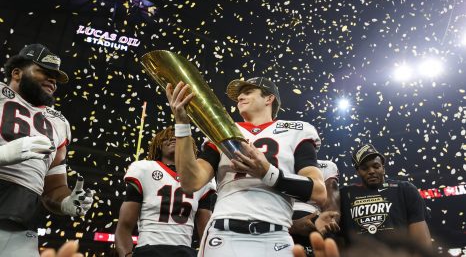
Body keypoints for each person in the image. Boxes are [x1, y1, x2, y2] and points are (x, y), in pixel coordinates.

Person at [166, 77, 327, 257]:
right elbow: (190, 182)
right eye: (239, 94)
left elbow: (319, 191)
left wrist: (268, 173)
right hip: (224, 234)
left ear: (269, 99)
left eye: (248, 92)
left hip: (276, 236)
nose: (240, 97)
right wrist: (182, 124)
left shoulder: (297, 130)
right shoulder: (222, 130)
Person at [0, 44, 94, 257]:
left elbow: (53, 188)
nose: (52, 80)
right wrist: (3, 155)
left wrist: (67, 201)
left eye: (55, 77)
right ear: (17, 72)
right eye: (44, 71)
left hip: (22, 223)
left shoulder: (59, 122)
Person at [115, 126, 216, 257]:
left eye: (179, 137)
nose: (173, 139)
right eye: (167, 139)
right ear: (158, 146)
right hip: (149, 249)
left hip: (184, 251)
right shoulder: (144, 169)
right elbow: (124, 226)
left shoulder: (202, 179)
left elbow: (206, 232)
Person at [338, 143, 432, 249]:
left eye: (376, 166)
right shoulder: (344, 194)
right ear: (358, 172)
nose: (371, 171)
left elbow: (422, 242)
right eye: (364, 168)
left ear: (383, 167)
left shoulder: (405, 189)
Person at [289, 160, 340, 256]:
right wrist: (293, 226)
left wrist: (326, 222)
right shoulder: (278, 163)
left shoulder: (327, 166)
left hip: (315, 227)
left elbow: (332, 209)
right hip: (282, 227)